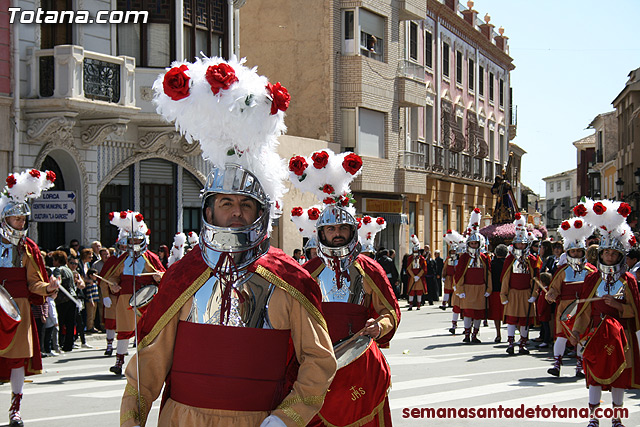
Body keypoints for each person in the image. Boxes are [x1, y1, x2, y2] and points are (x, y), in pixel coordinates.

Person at [120, 57, 336, 427]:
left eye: (245, 205)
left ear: (260, 214)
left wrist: (287, 419)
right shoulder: (183, 276)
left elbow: (319, 361)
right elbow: (147, 366)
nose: (235, 213)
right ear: (209, 209)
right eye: (225, 203)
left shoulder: (290, 280)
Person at [289, 148, 399, 426]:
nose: (336, 234)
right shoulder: (307, 272)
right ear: (321, 233)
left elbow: (390, 311)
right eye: (330, 229)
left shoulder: (369, 268)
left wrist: (380, 327)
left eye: (342, 229)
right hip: (318, 366)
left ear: (351, 232)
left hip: (362, 364)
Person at [569, 199, 640, 427]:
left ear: (620, 257)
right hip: (596, 333)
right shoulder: (592, 278)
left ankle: (617, 418)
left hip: (621, 336)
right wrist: (577, 333)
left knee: (619, 376)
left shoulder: (628, 280)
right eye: (606, 253)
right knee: (595, 376)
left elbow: (636, 311)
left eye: (613, 254)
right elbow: (584, 310)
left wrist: (619, 306)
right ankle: (593, 417)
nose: (609, 257)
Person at [0, 169, 59, 427]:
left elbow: (34, 282)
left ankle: (15, 409)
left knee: (17, 359)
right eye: (16, 219)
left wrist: (48, 287)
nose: (21, 223)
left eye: (23, 219)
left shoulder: (28, 249)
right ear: (5, 219)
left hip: (19, 308)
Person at [101, 211, 165, 375]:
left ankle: (146, 364)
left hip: (146, 299)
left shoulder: (150, 257)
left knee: (145, 331)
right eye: (132, 240)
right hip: (125, 299)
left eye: (137, 239)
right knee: (123, 330)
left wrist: (159, 278)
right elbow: (113, 277)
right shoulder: (122, 259)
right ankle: (119, 362)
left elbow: (164, 275)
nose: (134, 242)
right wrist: (113, 286)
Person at [545, 217, 596, 377]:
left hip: (583, 309)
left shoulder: (591, 270)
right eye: (573, 251)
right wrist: (551, 294)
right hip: (565, 309)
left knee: (580, 336)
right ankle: (557, 364)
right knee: (561, 336)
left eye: (578, 251)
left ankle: (579, 367)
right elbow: (554, 288)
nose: (576, 253)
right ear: (568, 252)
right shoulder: (562, 270)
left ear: (583, 252)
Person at [500, 213, 540, 355]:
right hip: (512, 293)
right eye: (518, 243)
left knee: (525, 321)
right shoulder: (510, 258)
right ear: (514, 243)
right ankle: (510, 344)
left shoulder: (532, 259)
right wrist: (504, 295)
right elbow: (505, 278)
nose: (521, 245)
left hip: (526, 294)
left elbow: (536, 278)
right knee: (511, 320)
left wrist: (534, 294)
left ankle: (522, 344)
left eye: (523, 243)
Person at [455, 208, 491, 344]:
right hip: (468, 289)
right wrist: (460, 290)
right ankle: (467, 334)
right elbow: (458, 274)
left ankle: (475, 335)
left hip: (481, 289)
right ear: (468, 243)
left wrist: (488, 289)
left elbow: (488, 274)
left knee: (478, 314)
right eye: (472, 243)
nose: (474, 245)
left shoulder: (484, 257)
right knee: (468, 313)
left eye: (476, 243)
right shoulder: (464, 258)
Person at [489, 244, 508, 342]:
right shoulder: (508, 264)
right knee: (509, 314)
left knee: (497, 315)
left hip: (495, 290)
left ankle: (498, 334)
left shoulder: (492, 264)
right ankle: (511, 335)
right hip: (507, 291)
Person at [405, 235, 427, 310]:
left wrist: (418, 276)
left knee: (419, 291)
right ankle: (410, 305)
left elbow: (423, 268)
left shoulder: (422, 259)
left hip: (419, 278)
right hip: (412, 277)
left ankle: (418, 305)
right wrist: (413, 276)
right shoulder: (410, 258)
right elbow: (408, 268)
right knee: (411, 291)